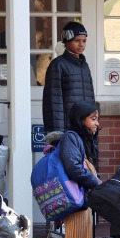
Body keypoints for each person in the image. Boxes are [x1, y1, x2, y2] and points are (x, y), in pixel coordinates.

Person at [54, 101, 102, 238]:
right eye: (93, 118)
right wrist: (97, 184)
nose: (97, 123)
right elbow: (73, 168)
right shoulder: (71, 137)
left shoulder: (79, 139)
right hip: (75, 205)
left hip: (80, 204)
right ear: (80, 119)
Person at [42, 21, 98, 166]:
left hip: (85, 129)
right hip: (68, 131)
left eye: (84, 41)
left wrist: (93, 123)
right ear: (66, 41)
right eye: (77, 41)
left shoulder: (84, 66)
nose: (81, 45)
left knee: (86, 168)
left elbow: (90, 99)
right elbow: (53, 102)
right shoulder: (58, 65)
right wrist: (57, 135)